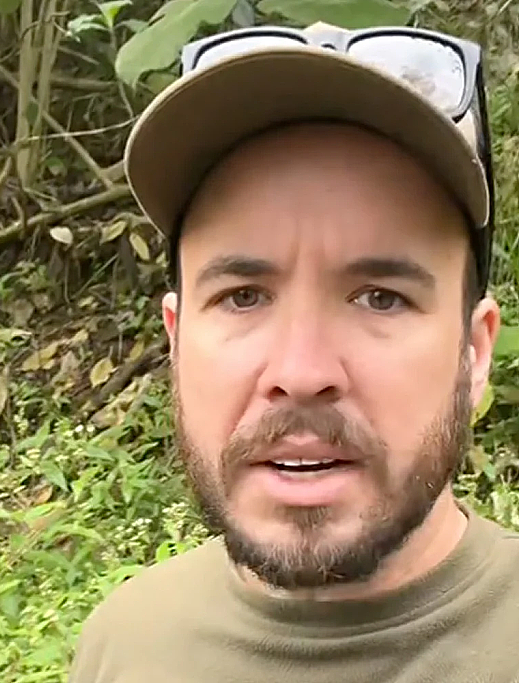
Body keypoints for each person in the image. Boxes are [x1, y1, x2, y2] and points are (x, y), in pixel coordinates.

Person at [68, 21, 519, 683]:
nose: (301, 373)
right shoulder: (125, 643)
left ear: (473, 353)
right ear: (176, 340)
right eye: (244, 296)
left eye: (380, 297)